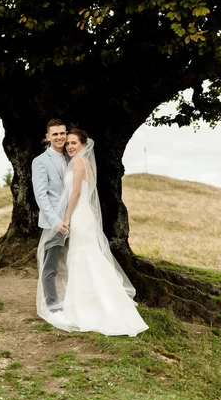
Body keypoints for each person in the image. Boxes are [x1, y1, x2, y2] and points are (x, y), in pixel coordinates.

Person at [36, 127, 148, 337]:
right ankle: (93, 302)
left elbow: (77, 191)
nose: (69, 146)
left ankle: (92, 308)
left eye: (73, 143)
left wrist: (67, 217)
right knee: (85, 258)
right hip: (83, 215)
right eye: (67, 143)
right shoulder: (80, 162)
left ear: (84, 145)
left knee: (82, 258)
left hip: (77, 216)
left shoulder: (78, 162)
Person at [32, 119, 69, 310]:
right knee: (51, 267)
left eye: (62, 133)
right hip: (53, 222)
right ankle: (52, 305)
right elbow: (41, 195)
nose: (60, 137)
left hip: (73, 219)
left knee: (75, 261)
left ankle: (73, 301)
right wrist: (56, 221)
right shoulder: (40, 162)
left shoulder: (72, 157)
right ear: (48, 137)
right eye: (55, 134)